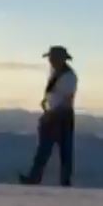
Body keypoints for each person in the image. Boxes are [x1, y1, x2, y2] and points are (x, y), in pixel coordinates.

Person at [19, 46, 78, 187]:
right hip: (55, 114)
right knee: (46, 148)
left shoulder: (68, 76)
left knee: (61, 150)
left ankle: (59, 180)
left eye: (52, 58)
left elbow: (67, 98)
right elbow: (55, 94)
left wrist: (52, 113)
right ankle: (36, 177)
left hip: (60, 115)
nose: (50, 61)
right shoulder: (57, 73)